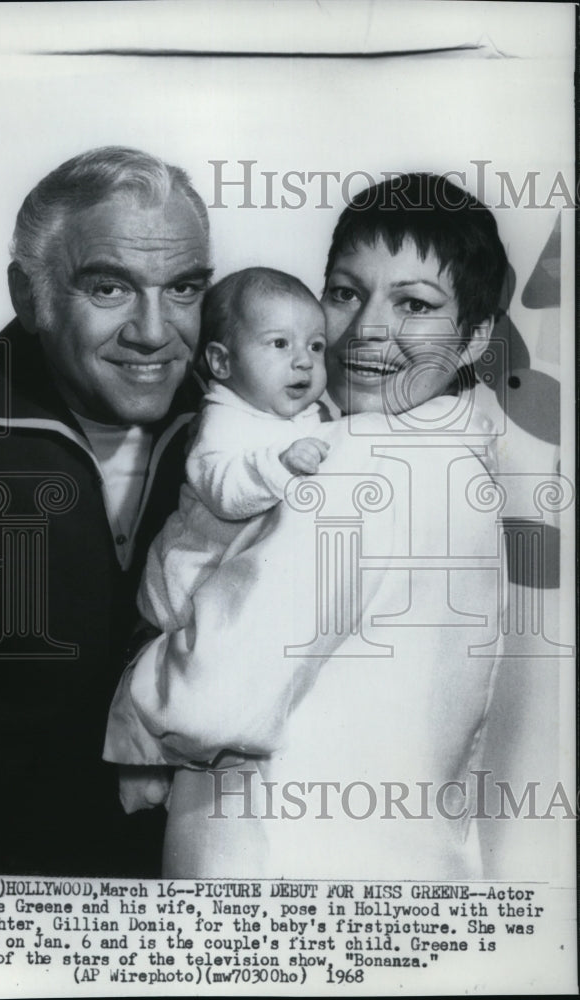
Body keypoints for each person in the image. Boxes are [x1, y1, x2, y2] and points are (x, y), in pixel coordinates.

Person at [104, 173, 508, 878]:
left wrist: (138, 673)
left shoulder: (354, 462)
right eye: (346, 292)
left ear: (472, 340)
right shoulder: (463, 463)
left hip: (267, 879)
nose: (365, 329)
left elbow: (210, 698)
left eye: (413, 303)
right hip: (402, 876)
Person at [0, 146, 212, 876]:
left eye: (183, 289)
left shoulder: (255, 430)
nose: (155, 332)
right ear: (30, 296)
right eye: (110, 288)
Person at [139, 267, 330, 634]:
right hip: (190, 588)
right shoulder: (222, 420)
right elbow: (224, 492)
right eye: (280, 343)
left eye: (316, 345)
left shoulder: (310, 414)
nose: (304, 360)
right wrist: (281, 465)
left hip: (253, 579)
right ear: (222, 362)